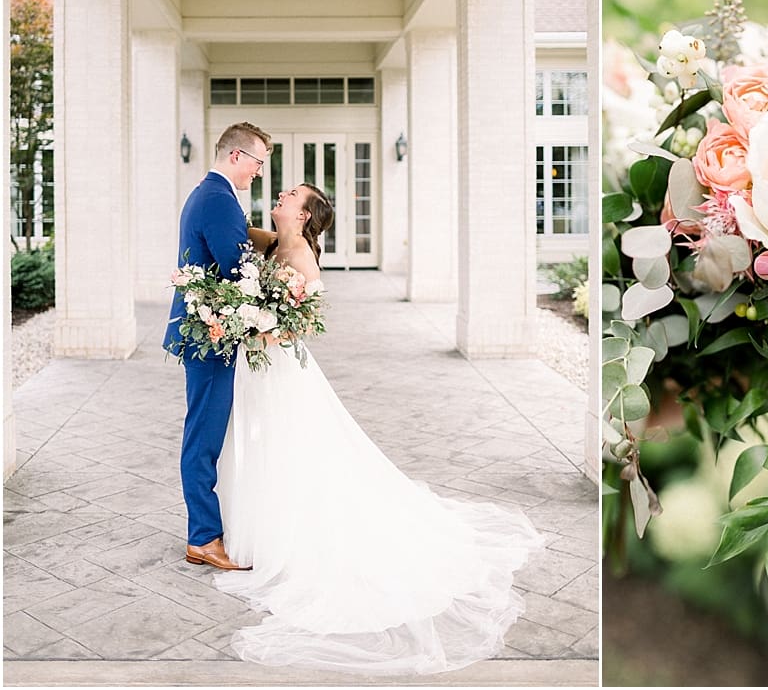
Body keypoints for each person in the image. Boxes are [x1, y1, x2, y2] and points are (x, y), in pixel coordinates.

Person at [210, 183, 544, 674]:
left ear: (303, 217)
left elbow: (301, 322)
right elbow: (237, 232)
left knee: (291, 448)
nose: (279, 195)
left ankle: (290, 534)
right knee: (265, 446)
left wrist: (256, 327)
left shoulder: (300, 255)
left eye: (290, 196)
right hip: (260, 368)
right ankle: (262, 528)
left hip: (278, 365)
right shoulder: (274, 241)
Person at [164, 122, 273, 572]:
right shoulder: (217, 199)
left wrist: (275, 240)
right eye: (258, 162)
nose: (260, 172)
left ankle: (207, 531)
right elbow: (237, 269)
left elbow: (237, 241)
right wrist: (275, 295)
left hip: (207, 334)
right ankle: (203, 538)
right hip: (209, 340)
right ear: (236, 156)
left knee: (205, 434)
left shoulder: (210, 196)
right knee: (203, 440)